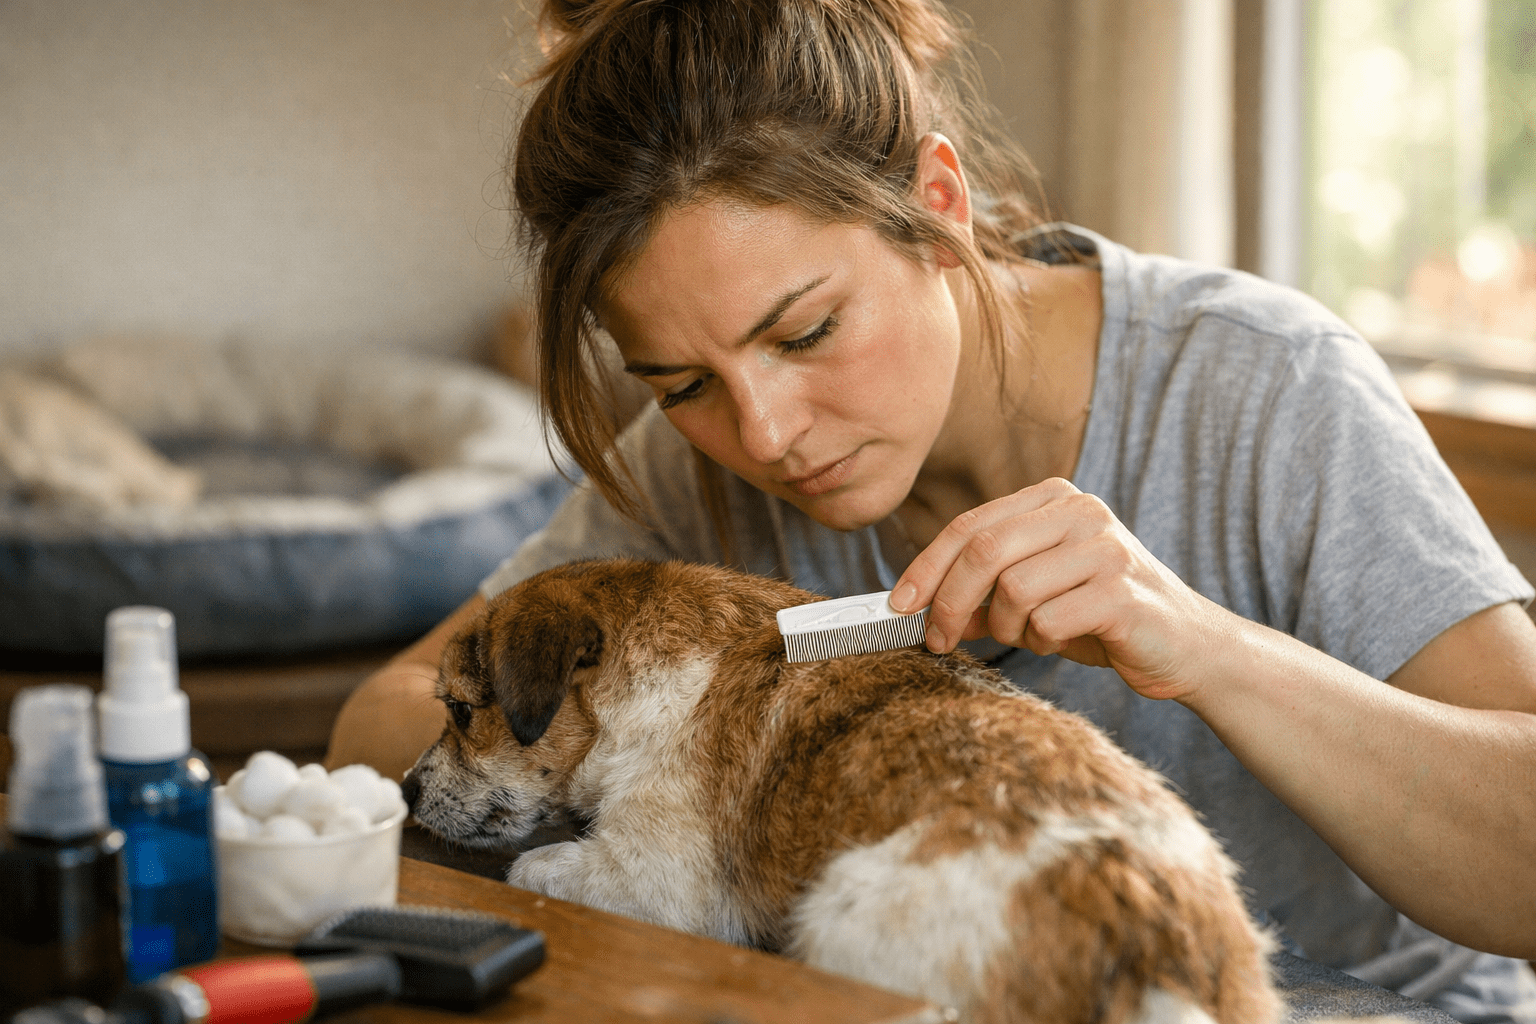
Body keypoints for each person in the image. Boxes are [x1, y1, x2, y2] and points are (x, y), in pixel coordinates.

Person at [325, 0, 1536, 1017]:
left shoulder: (1262, 385)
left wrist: (1213, 651)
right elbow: (382, 723)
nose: (764, 435)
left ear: (940, 205)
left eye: (806, 331)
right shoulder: (688, 473)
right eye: (681, 382)